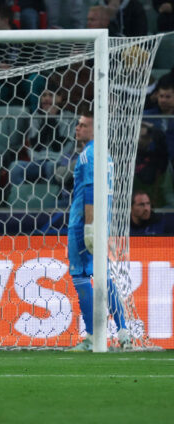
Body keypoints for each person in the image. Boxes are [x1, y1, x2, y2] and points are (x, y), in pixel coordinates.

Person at [66, 109, 131, 351]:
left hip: (83, 224)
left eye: (83, 124)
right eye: (78, 124)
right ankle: (124, 331)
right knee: (102, 274)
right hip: (101, 222)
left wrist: (89, 226)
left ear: (96, 129)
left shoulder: (88, 154)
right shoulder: (106, 155)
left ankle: (93, 336)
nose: (77, 128)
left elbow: (91, 190)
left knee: (81, 276)